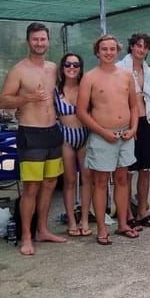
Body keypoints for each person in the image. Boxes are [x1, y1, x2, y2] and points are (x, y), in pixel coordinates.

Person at [0, 22, 66, 255]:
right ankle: (27, 236)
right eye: (35, 39)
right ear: (28, 42)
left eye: (43, 39)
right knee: (31, 188)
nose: (39, 43)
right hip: (31, 132)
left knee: (49, 184)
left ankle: (42, 230)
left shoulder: (54, 68)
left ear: (48, 41)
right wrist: (27, 98)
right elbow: (3, 100)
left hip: (53, 132)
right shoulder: (19, 70)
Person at [77, 34, 140, 246]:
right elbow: (82, 111)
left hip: (125, 135)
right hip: (102, 136)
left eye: (112, 49)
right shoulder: (90, 77)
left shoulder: (126, 75)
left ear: (118, 51)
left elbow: (133, 105)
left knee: (122, 179)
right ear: (97, 52)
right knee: (101, 182)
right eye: (104, 49)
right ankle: (102, 228)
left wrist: (133, 128)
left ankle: (123, 223)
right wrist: (103, 132)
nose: (108, 52)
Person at [117, 32, 150, 230]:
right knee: (127, 172)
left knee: (145, 170)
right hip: (126, 123)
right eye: (138, 45)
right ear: (132, 47)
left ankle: (142, 212)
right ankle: (126, 214)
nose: (141, 50)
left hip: (146, 122)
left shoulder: (149, 73)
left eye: (145, 47)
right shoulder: (119, 69)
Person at [55, 52, 93, 238]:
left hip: (85, 135)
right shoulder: (55, 90)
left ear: (80, 68)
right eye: (68, 64)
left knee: (87, 180)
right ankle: (71, 220)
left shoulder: (86, 87)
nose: (71, 68)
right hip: (65, 137)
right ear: (62, 68)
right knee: (69, 181)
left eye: (75, 65)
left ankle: (84, 219)